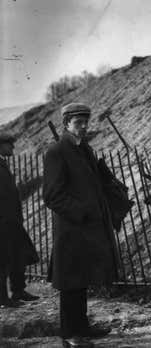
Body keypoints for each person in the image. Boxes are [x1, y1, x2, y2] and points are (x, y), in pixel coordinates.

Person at [43, 103, 116, 347]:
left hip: (86, 228)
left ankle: (82, 327)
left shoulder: (84, 150)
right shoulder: (56, 152)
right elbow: (52, 196)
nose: (84, 127)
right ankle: (70, 334)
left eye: (86, 122)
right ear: (66, 124)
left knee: (81, 280)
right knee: (70, 284)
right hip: (72, 229)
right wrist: (82, 212)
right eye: (78, 123)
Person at [0, 133, 39, 308]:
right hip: (3, 221)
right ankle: (2, 298)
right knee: (3, 260)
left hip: (12, 220)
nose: (13, 148)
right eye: (9, 144)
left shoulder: (3, 164)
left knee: (17, 255)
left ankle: (18, 290)